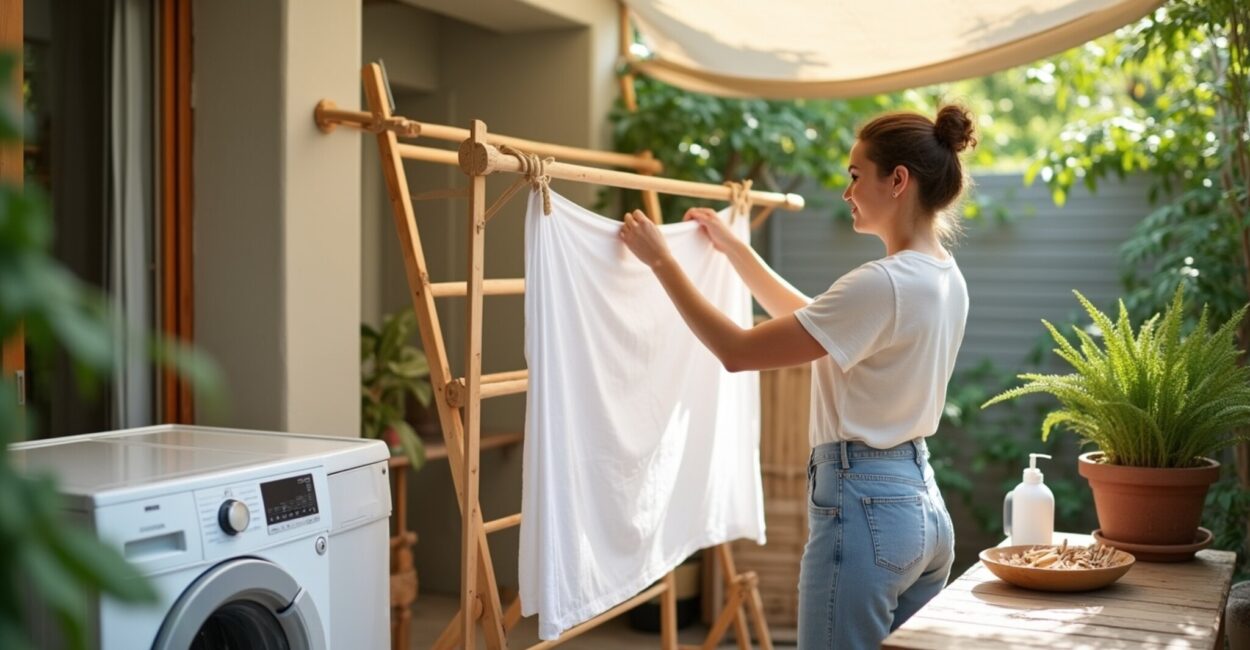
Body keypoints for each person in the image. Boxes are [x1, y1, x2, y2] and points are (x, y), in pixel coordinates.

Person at [618, 105, 975, 648]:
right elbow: (819, 325)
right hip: (920, 507)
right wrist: (736, 250)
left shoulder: (881, 282)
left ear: (897, 180)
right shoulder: (945, 277)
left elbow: (737, 351)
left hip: (865, 508)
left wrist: (662, 262)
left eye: (856, 175)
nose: (846, 191)